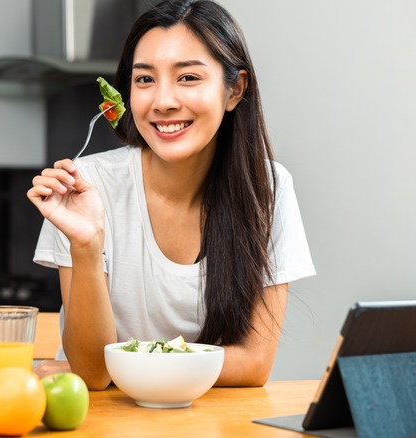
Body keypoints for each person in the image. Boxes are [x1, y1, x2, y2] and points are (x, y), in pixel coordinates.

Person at [27, 0, 314, 390]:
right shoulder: (86, 187)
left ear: (235, 91)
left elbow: (253, 365)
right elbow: (94, 374)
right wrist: (87, 244)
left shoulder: (267, 189)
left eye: (188, 78)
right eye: (145, 79)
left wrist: (125, 363)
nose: (162, 101)